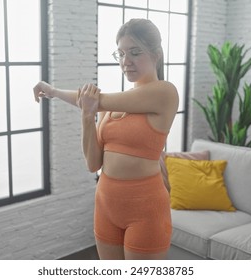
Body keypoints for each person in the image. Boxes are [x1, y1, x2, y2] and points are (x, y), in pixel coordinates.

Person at [33, 18, 178, 260]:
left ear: (157, 54)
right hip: (105, 204)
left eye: (134, 52)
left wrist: (56, 92)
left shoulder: (165, 92)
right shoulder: (113, 105)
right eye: (120, 54)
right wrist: (87, 117)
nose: (125, 62)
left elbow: (98, 100)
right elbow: (93, 163)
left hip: (145, 209)